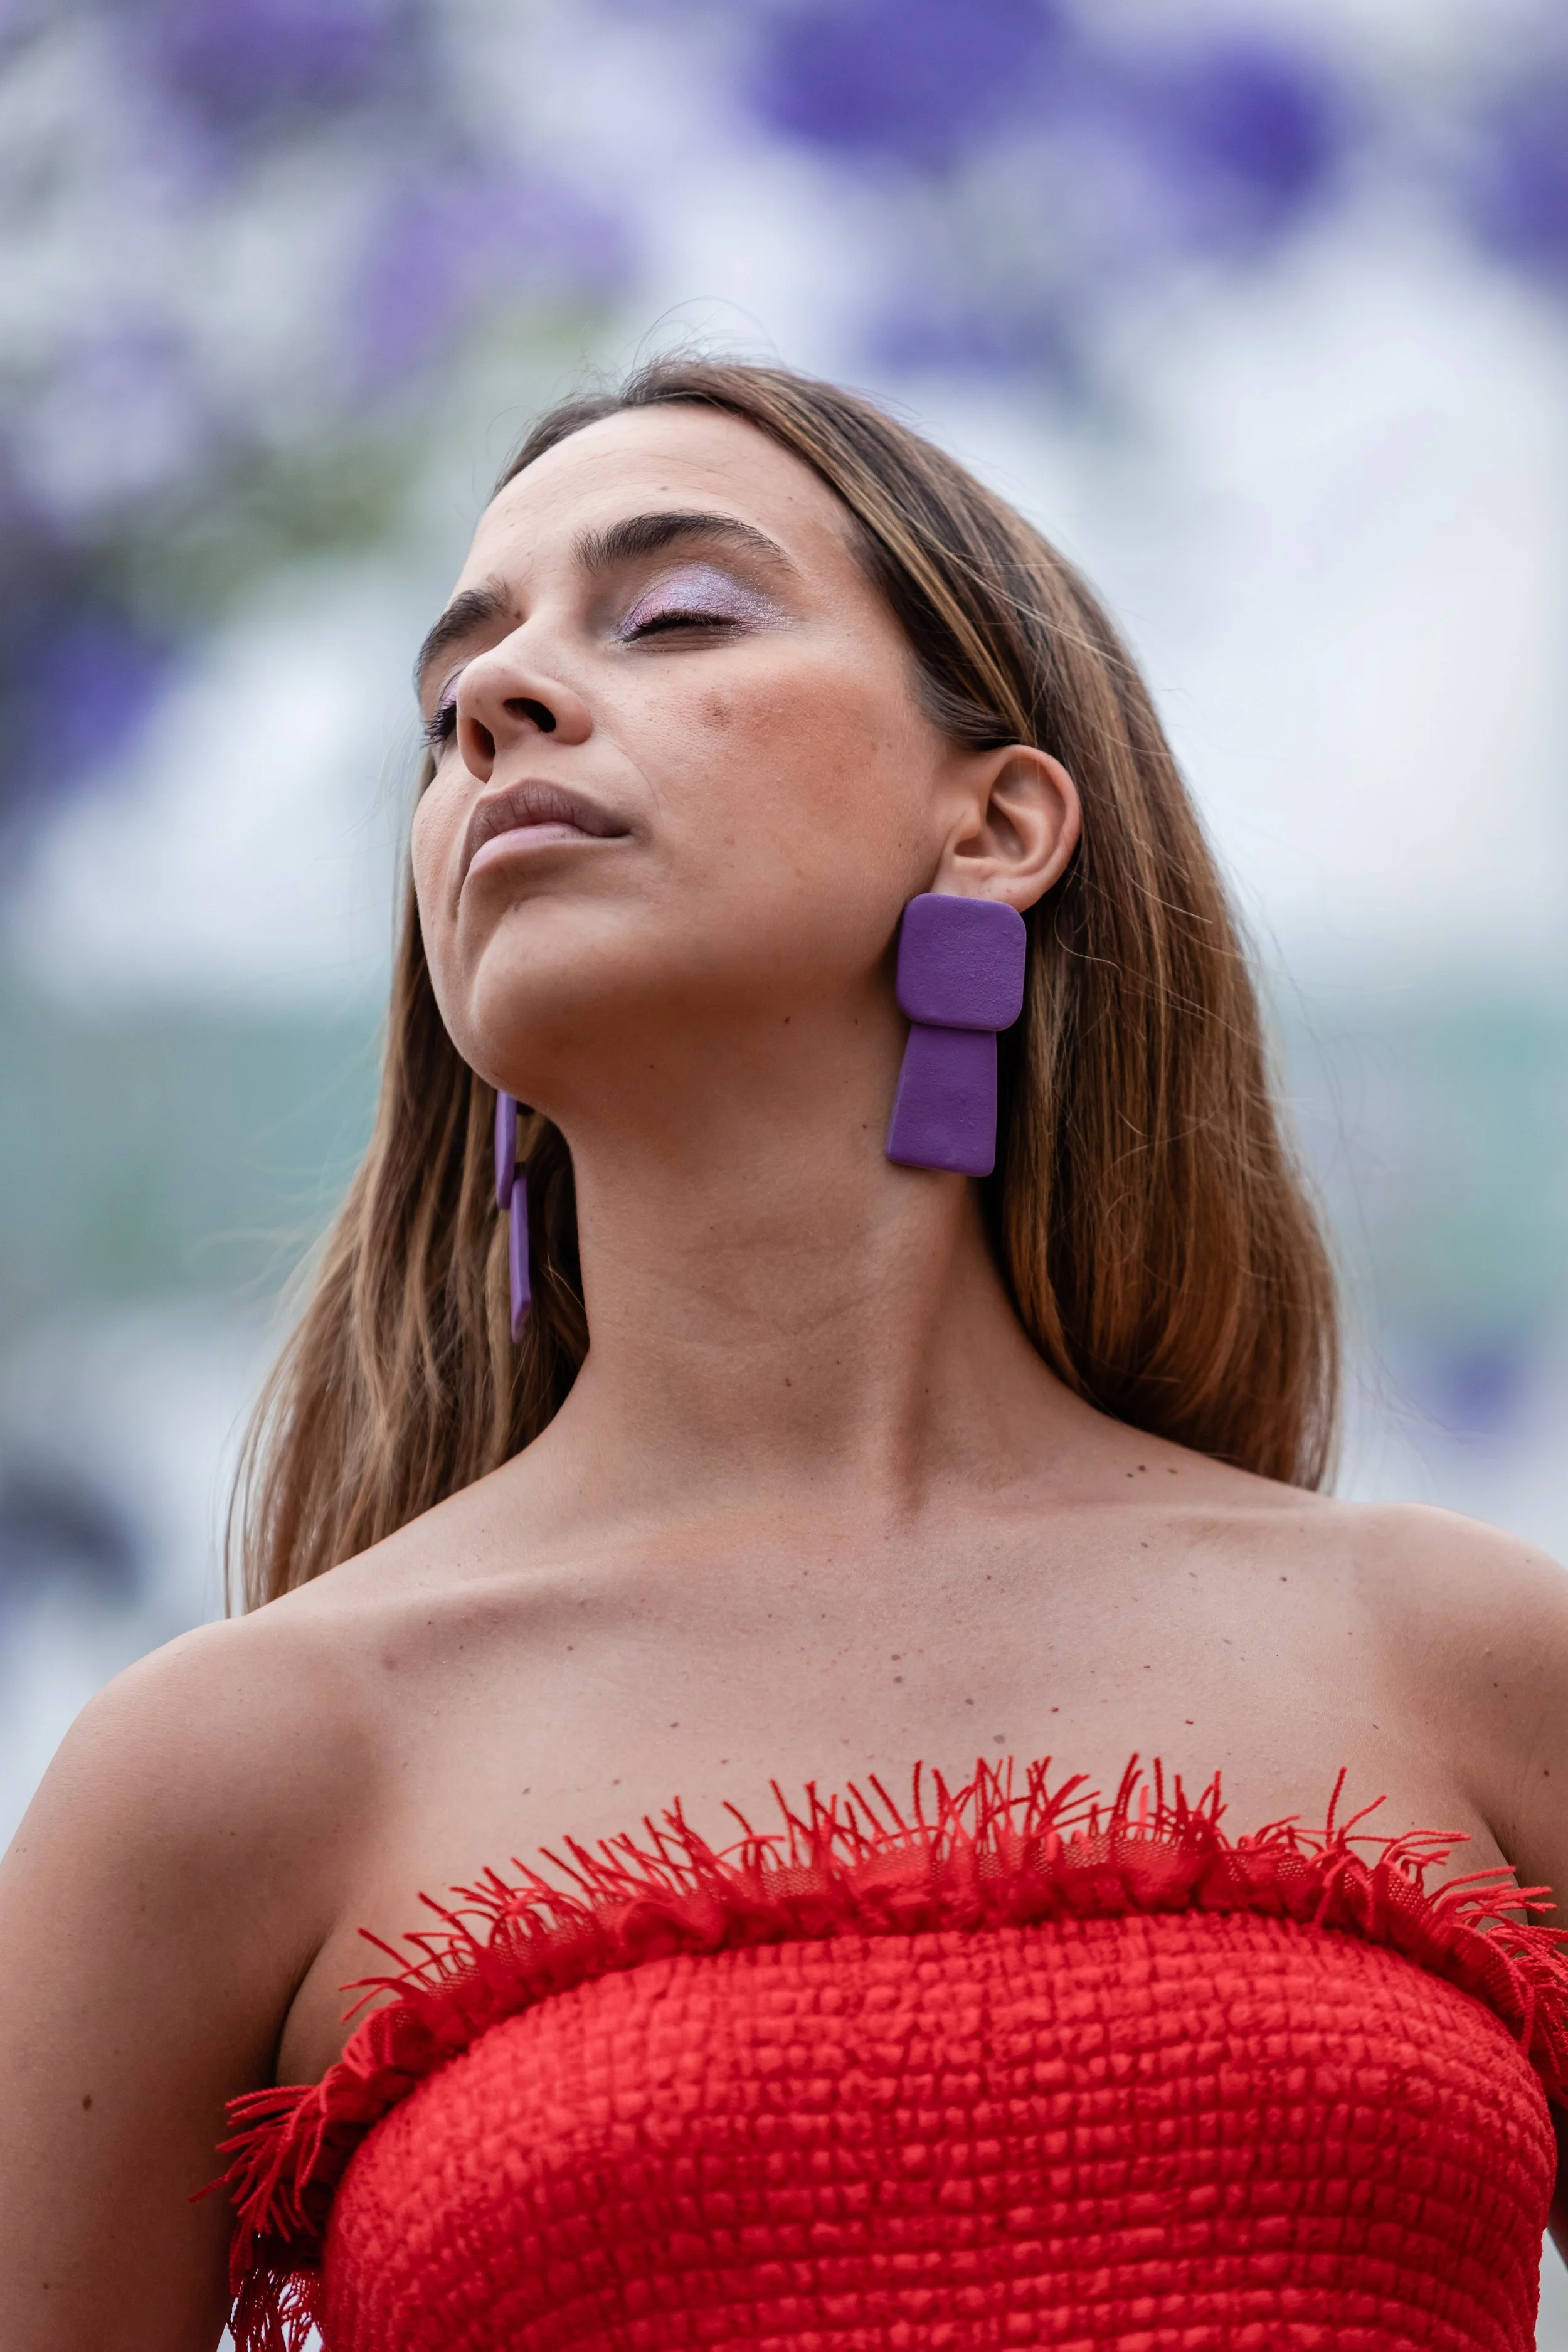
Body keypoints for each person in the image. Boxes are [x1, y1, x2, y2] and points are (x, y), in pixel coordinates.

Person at [2, 358, 1565, 2352]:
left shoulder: (1473, 1665)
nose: (495, 706)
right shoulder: (227, 1777)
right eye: (444, 706)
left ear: (995, 823)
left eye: (672, 614)